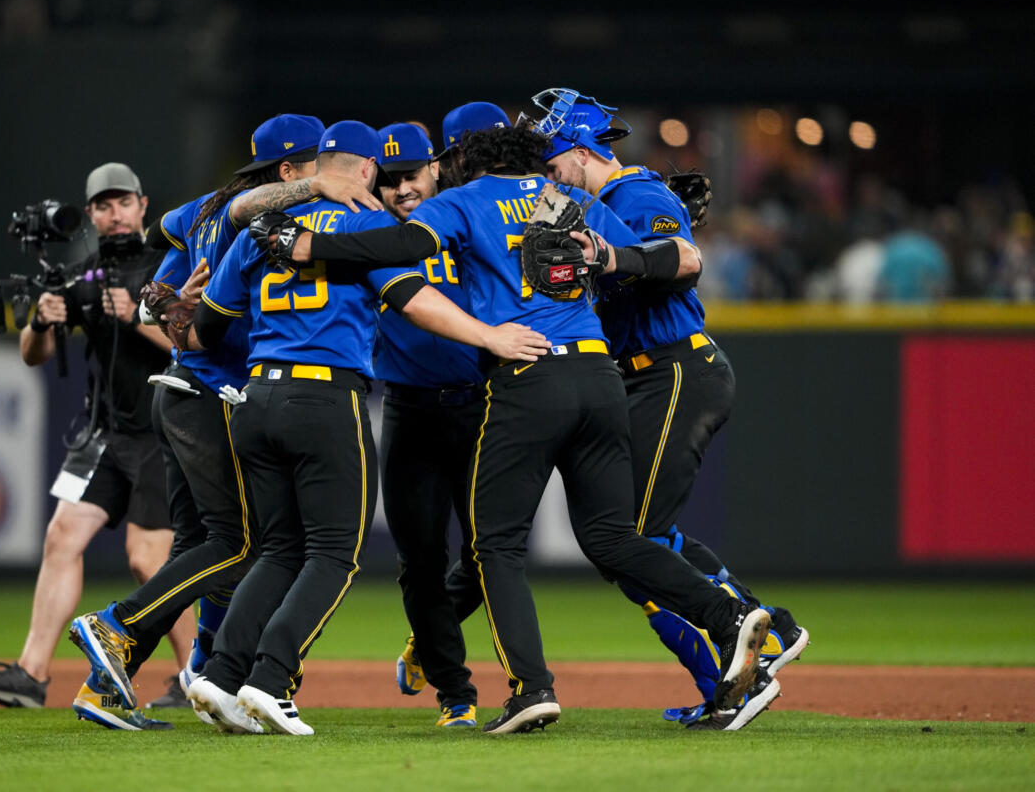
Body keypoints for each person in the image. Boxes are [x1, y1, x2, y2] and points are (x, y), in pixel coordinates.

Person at [255, 125, 774, 735]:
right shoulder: (569, 202)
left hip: (528, 375)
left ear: (468, 162)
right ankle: (727, 612)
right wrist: (617, 254)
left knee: (495, 545)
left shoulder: (463, 200)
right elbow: (685, 259)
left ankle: (531, 688)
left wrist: (309, 246)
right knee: (611, 536)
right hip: (600, 375)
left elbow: (397, 247)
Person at [179, 120, 548, 736]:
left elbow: (206, 330)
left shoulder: (261, 232)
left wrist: (162, 307)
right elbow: (409, 296)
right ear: (369, 171)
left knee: (278, 550)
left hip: (258, 396)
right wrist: (489, 336)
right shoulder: (368, 225)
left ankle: (217, 675)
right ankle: (270, 681)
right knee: (333, 554)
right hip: (324, 398)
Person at [531, 88, 808, 730]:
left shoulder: (637, 193)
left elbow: (686, 260)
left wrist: (609, 253)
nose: (545, 172)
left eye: (550, 158)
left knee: (628, 537)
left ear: (577, 149)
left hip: (675, 366)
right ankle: (757, 644)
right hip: (645, 374)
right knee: (626, 543)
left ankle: (753, 654)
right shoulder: (588, 203)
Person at [66, 115, 334, 726]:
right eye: (317, 163)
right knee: (240, 545)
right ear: (288, 171)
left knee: (199, 545)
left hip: (181, 391)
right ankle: (117, 625)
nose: (328, 173)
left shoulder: (199, 211)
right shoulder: (266, 214)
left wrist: (168, 302)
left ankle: (110, 686)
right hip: (213, 394)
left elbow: (150, 297)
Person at [0, 163, 194, 729]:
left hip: (164, 432)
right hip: (104, 434)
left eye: (123, 203)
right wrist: (41, 321)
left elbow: (194, 339)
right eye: (103, 205)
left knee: (148, 559)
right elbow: (32, 354)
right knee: (62, 534)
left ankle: (193, 675)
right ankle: (31, 674)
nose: (114, 214)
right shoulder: (83, 275)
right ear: (90, 214)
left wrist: (137, 316)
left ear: (142, 205)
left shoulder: (169, 265)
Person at [373, 121, 484, 727]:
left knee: (489, 551)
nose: (401, 190)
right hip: (410, 410)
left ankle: (426, 640)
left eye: (410, 175)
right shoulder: (372, 234)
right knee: (418, 557)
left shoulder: (469, 220)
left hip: (479, 404)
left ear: (437, 169)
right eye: (388, 180)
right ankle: (456, 694)